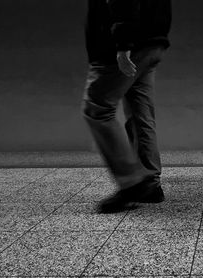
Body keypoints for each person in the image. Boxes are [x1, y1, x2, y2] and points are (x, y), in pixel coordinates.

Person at [82, 0, 172, 213]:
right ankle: (149, 184)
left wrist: (123, 45)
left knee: (98, 108)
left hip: (127, 45)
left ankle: (132, 183)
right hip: (152, 43)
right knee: (140, 112)